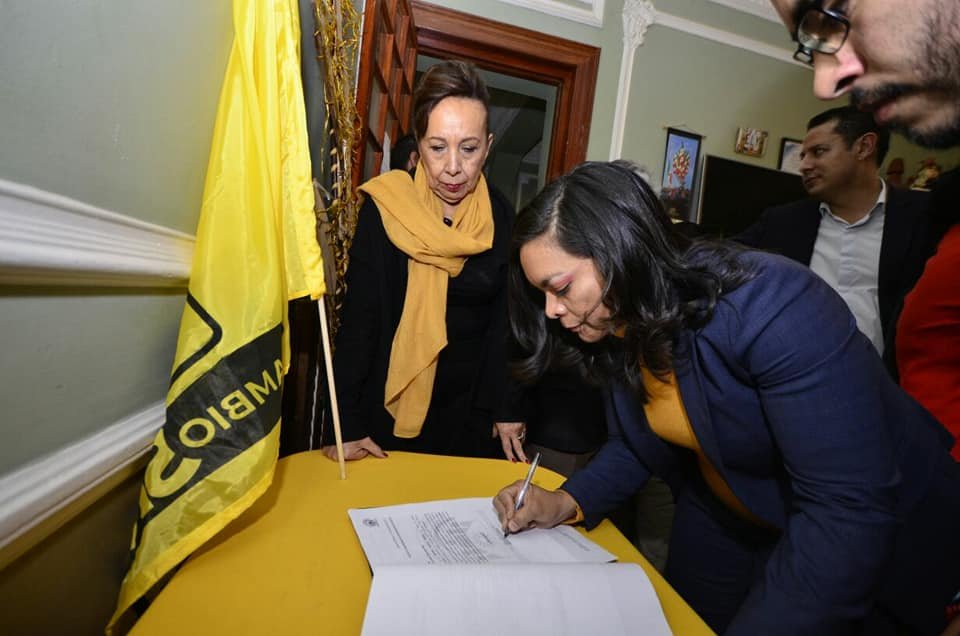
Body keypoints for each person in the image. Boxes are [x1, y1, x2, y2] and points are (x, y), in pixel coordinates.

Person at [493, 161, 960, 634]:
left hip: (880, 524)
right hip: (728, 512)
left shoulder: (772, 304)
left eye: (561, 288)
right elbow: (637, 444)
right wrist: (566, 501)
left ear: (620, 251)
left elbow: (842, 513)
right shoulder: (616, 324)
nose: (551, 311)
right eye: (541, 294)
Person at [321, 60, 516, 461]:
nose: (453, 168)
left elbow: (507, 325)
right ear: (418, 144)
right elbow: (360, 321)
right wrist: (345, 424)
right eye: (437, 147)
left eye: (469, 148)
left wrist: (509, 407)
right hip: (386, 415)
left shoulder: (501, 216)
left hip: (469, 421)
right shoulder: (387, 207)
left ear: (488, 145)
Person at [738, 106, 934, 372]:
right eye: (803, 155)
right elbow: (718, 256)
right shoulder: (782, 221)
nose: (804, 165)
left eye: (818, 152)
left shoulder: (925, 218)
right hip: (793, 378)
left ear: (864, 147)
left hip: (887, 383)